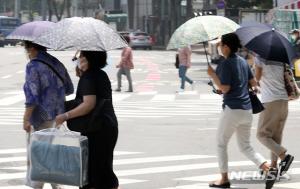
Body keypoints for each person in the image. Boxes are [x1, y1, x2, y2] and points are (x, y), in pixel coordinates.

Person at [207, 33, 274, 189]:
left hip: (232, 109)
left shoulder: (225, 63)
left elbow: (225, 88)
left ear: (227, 47)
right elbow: (254, 84)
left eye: (220, 45)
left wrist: (213, 75)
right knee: (245, 146)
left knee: (221, 144)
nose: (219, 48)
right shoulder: (243, 62)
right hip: (247, 110)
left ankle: (224, 179)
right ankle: (267, 168)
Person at [55, 51, 119, 189]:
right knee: (103, 169)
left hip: (97, 129)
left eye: (82, 56)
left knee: (93, 173)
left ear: (90, 58)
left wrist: (65, 116)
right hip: (108, 126)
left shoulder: (89, 77)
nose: (79, 59)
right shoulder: (100, 74)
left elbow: (88, 104)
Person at [23, 41, 74, 189]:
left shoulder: (33, 65)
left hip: (41, 117)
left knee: (39, 155)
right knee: (49, 152)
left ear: (32, 49)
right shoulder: (55, 62)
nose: (27, 54)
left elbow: (32, 96)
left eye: (26, 50)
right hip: (58, 116)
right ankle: (56, 186)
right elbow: (69, 88)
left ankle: (38, 186)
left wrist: (26, 119)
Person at [255, 56, 294, 180]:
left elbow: (257, 78)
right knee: (275, 137)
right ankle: (273, 167)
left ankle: (284, 156)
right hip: (284, 101)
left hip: (271, 101)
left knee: (262, 135)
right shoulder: (281, 58)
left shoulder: (260, 58)